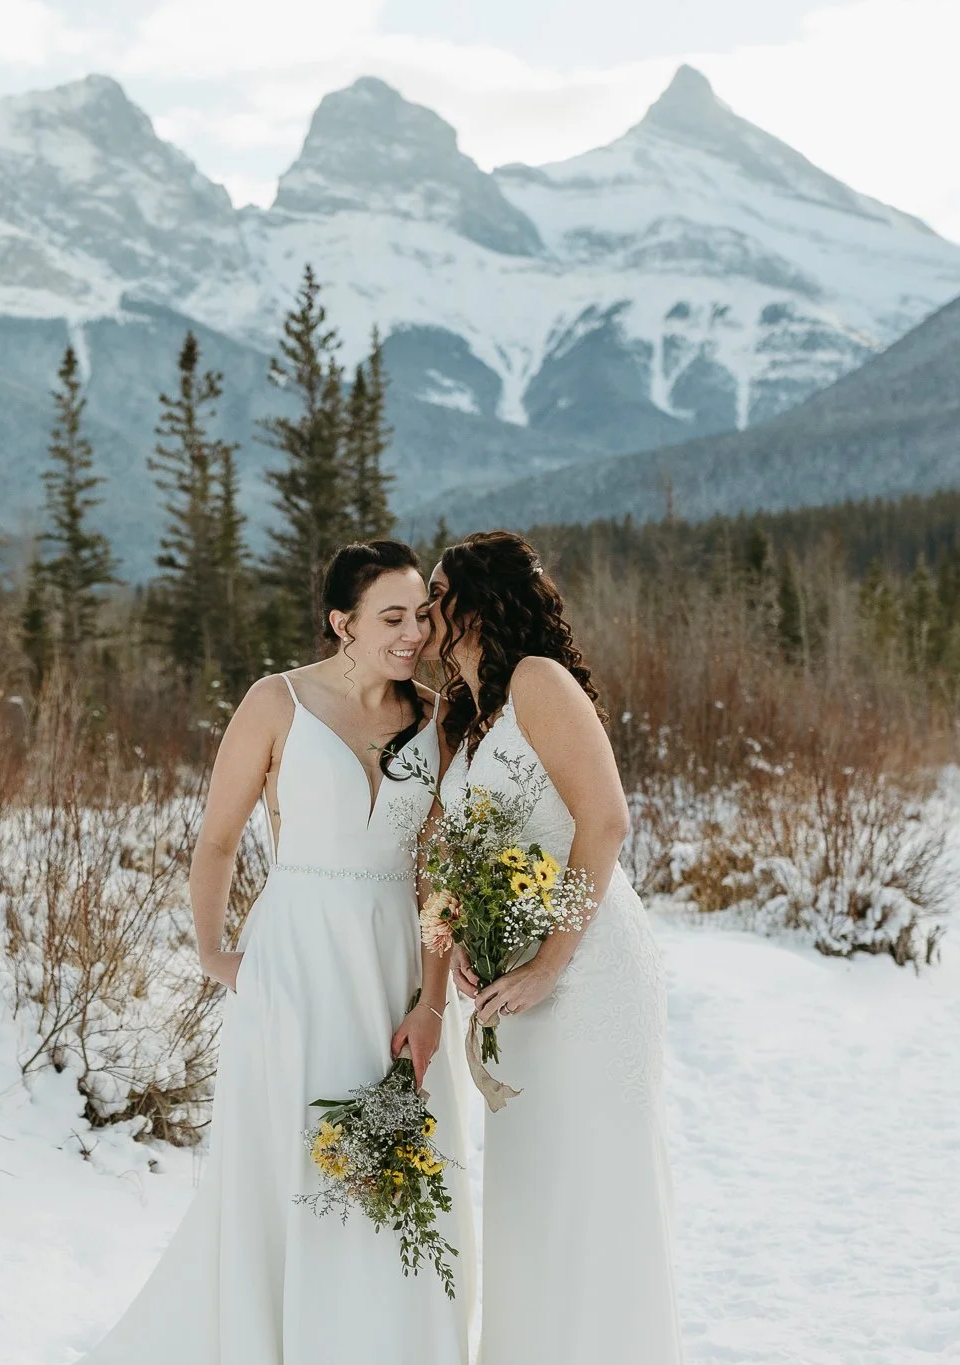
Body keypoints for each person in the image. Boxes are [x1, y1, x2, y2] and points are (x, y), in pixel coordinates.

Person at [84, 539, 470, 1365]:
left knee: (397, 1157)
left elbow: (438, 876)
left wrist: (432, 997)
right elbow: (218, 841)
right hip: (293, 958)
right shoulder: (276, 702)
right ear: (343, 623)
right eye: (392, 617)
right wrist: (213, 950)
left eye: (422, 616)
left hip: (393, 965)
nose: (415, 634)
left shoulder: (440, 720)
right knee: (292, 1156)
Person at [431, 529, 681, 1365]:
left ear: (477, 602)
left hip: (588, 967)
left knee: (591, 1186)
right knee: (534, 1197)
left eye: (439, 592)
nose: (426, 607)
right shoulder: (461, 715)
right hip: (519, 988)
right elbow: (466, 846)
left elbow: (604, 818)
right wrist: (464, 930)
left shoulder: (541, 681)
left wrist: (548, 962)